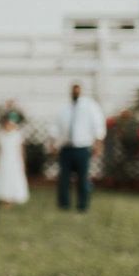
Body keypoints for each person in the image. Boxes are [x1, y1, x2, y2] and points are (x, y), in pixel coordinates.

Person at [51, 82, 106, 212]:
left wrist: (98, 143)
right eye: (73, 91)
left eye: (77, 91)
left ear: (81, 92)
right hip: (66, 148)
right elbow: (56, 127)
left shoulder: (90, 107)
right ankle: (64, 204)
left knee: (83, 178)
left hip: (82, 148)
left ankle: (82, 205)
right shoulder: (64, 109)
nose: (75, 93)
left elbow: (98, 125)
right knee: (64, 178)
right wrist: (53, 143)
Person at [0, 110, 29, 206]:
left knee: (12, 176)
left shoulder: (18, 135)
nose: (8, 126)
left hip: (14, 160)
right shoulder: (0, 135)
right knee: (2, 176)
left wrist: (23, 162)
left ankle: (11, 197)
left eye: (10, 124)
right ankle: (2, 196)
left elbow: (21, 150)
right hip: (2, 159)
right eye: (6, 123)